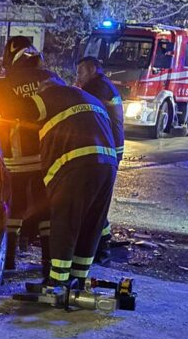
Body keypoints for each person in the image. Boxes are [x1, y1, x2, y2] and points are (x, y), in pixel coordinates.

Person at [17, 70, 118, 288]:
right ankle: (78, 280)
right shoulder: (90, 98)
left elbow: (21, 110)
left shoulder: (51, 95)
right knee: (91, 223)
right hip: (108, 165)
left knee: (65, 222)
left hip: (75, 164)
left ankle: (57, 283)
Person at [0, 36, 57, 265]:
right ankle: (48, 261)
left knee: (14, 207)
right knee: (45, 209)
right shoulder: (51, 78)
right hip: (47, 157)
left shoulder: (3, 85)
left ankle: (9, 258)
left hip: (15, 158)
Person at [76, 55, 125, 260]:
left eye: (81, 72)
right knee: (98, 201)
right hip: (111, 149)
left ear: (92, 69)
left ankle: (100, 246)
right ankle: (102, 244)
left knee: (94, 202)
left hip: (105, 150)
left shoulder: (96, 89)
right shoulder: (104, 85)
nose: (78, 77)